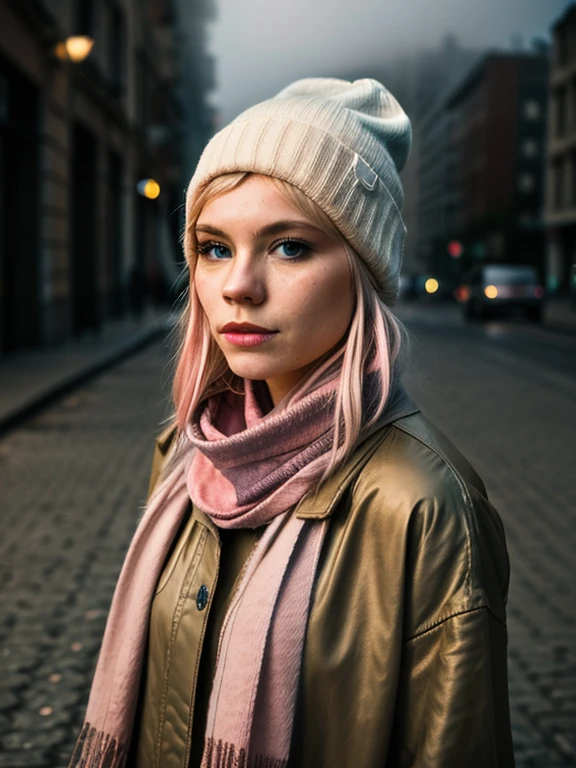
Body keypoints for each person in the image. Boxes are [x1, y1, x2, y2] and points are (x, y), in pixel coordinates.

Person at [70, 78, 514, 768]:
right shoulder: (189, 458)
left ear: (362, 272)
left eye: (289, 247)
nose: (238, 286)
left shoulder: (424, 505)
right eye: (215, 248)